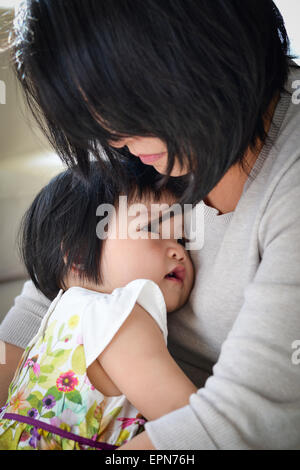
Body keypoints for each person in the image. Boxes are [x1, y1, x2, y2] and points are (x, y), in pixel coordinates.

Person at [0, 0, 300, 449]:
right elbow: (47, 297)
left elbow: (238, 427)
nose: (110, 140)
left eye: (115, 109)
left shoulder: (288, 175)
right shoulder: (133, 150)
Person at [0, 160, 196, 450]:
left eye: (181, 238)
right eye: (153, 229)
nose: (178, 250)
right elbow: (192, 425)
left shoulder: (59, 315)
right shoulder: (119, 317)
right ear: (79, 256)